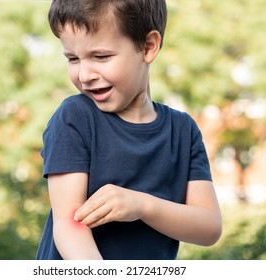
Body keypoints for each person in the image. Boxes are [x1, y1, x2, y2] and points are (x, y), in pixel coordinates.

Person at [36, 0, 222, 260]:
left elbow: (209, 227)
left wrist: (142, 205)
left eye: (101, 57)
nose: (85, 74)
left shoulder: (183, 130)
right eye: (73, 58)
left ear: (148, 47)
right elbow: (69, 225)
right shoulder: (75, 118)